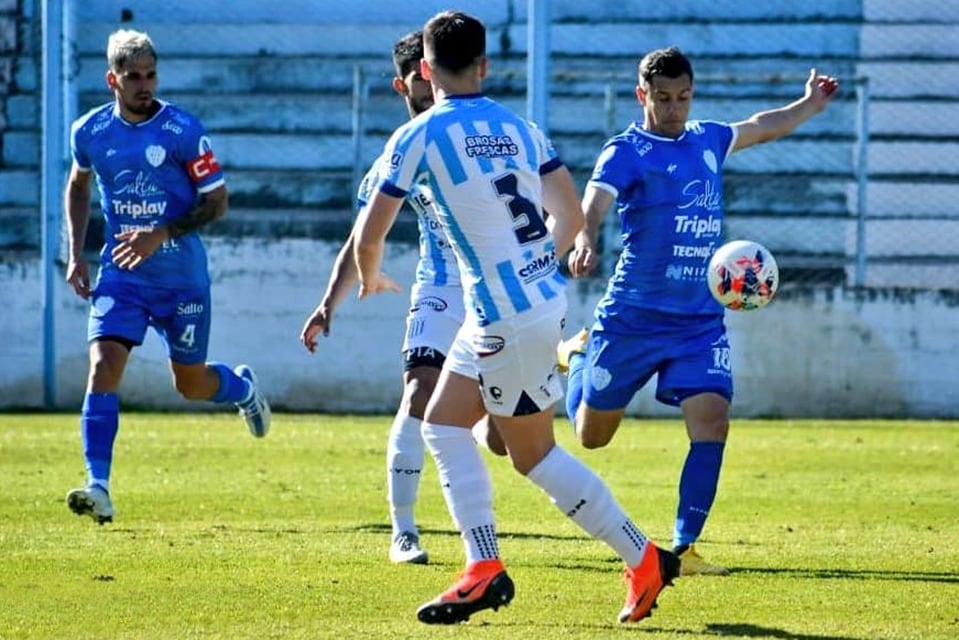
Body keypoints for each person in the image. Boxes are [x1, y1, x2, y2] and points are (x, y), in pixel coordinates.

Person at [353, 11, 680, 625]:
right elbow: (570, 218)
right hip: (527, 304)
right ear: (485, 66)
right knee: (443, 424)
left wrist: (370, 273)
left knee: (533, 456)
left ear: (424, 70)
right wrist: (531, 270)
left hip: (503, 314)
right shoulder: (520, 127)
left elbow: (368, 233)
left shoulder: (419, 134)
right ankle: (486, 566)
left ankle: (635, 559)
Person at [561, 46, 839, 575]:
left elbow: (761, 126)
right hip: (634, 316)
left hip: (698, 320)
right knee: (592, 437)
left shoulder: (707, 139)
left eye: (683, 97)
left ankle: (685, 548)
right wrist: (585, 241)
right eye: (663, 98)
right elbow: (593, 203)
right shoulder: (626, 150)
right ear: (643, 95)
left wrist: (808, 105)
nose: (674, 109)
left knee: (712, 420)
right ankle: (576, 355)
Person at [300, 30, 505, 566]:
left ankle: (483, 412)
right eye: (420, 77)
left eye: (434, 71)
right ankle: (405, 531)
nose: (430, 82)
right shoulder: (405, 146)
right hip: (439, 288)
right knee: (418, 393)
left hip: (497, 289)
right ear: (405, 84)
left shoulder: (481, 130)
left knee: (505, 440)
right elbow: (362, 236)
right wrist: (329, 303)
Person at [63, 29, 271, 525]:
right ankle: (99, 486)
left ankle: (241, 388)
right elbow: (78, 185)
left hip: (182, 280)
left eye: (150, 74)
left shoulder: (183, 131)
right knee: (103, 364)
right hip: (123, 274)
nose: (144, 85)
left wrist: (162, 232)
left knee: (191, 385)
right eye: (133, 77)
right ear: (112, 79)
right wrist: (76, 253)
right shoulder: (89, 132)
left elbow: (218, 203)